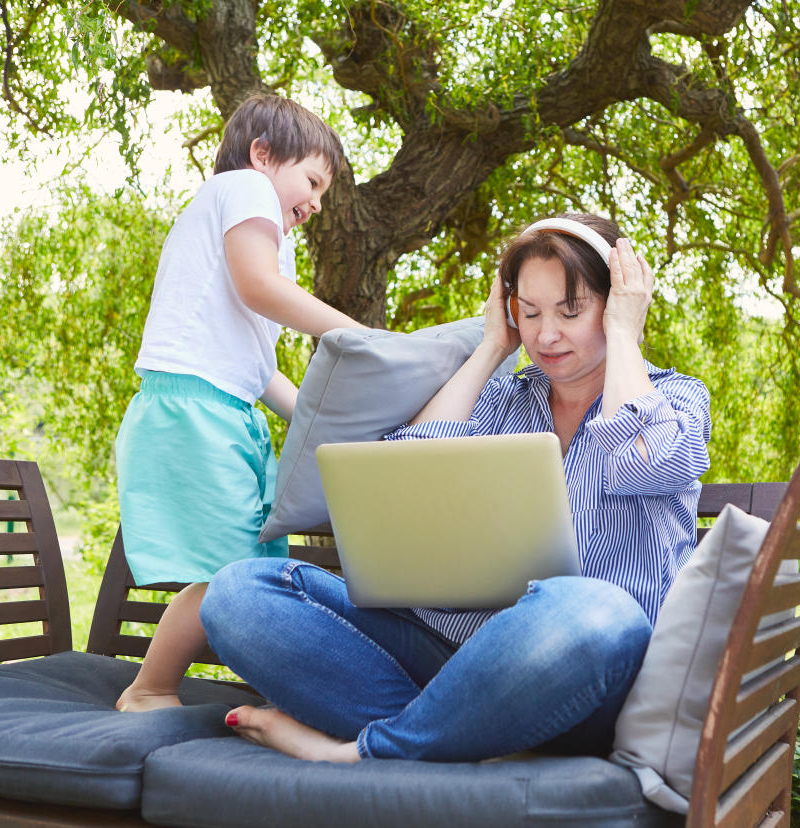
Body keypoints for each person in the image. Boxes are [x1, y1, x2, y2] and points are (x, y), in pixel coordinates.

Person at [199, 212, 711, 761]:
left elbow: (647, 460)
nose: (546, 334)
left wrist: (624, 337)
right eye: (529, 312)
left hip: (577, 672)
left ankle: (357, 752)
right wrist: (492, 347)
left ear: (618, 302)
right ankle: (462, 735)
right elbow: (405, 471)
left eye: (572, 310)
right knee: (237, 594)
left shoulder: (676, 399)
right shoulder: (506, 399)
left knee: (596, 608)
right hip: (442, 654)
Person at [114, 93, 364, 712]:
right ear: (262, 156)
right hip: (197, 411)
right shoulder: (245, 190)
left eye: (323, 193)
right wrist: (359, 337)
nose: (316, 203)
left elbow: (259, 373)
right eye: (311, 180)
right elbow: (262, 288)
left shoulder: (251, 228)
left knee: (250, 573)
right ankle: (148, 689)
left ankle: (264, 691)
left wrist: (329, 417)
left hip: (227, 411)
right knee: (232, 579)